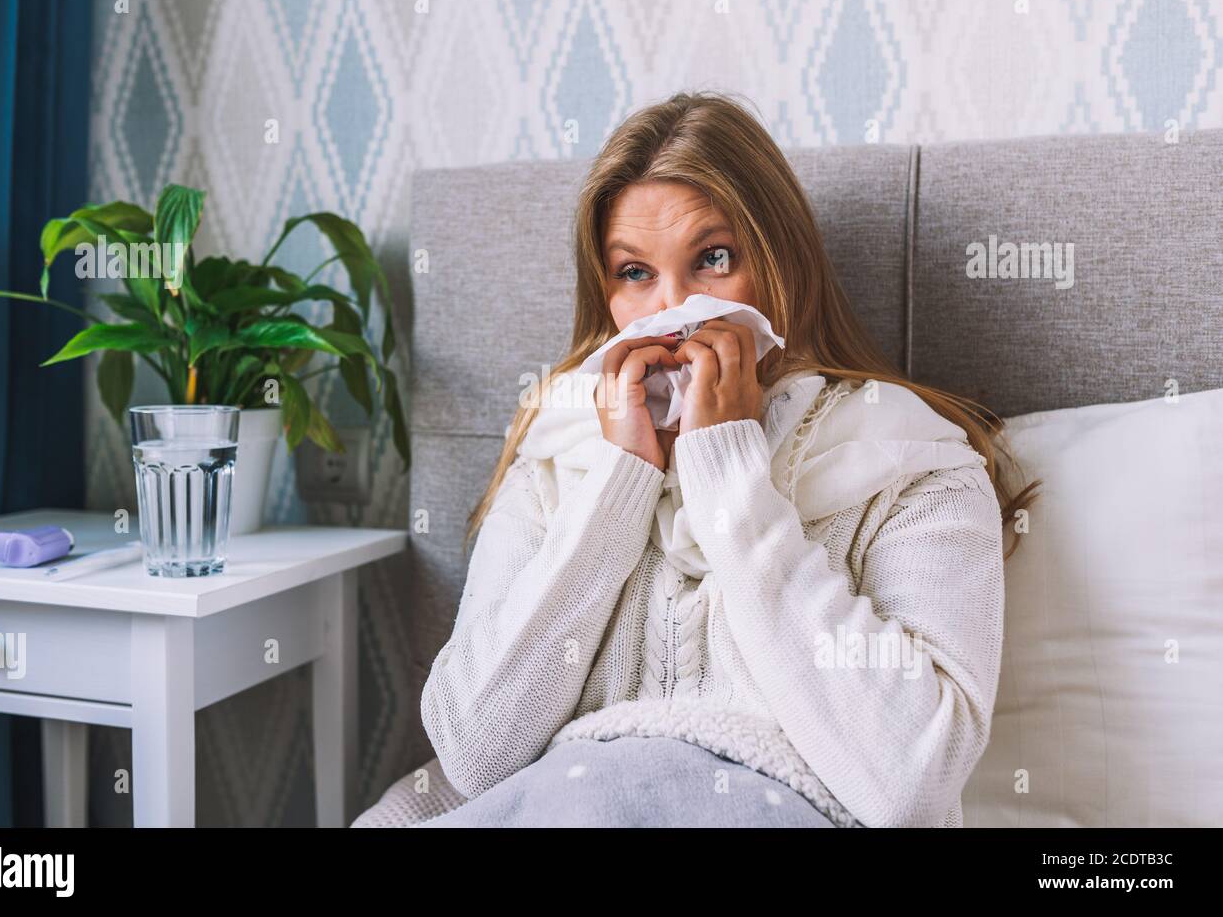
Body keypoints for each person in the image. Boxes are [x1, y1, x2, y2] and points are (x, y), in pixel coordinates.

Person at [418, 90, 1039, 828]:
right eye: (635, 273)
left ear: (783, 266)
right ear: (604, 295)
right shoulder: (556, 461)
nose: (674, 312)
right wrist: (620, 482)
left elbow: (909, 784)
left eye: (713, 260)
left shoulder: (914, 466)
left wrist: (731, 479)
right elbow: (473, 754)